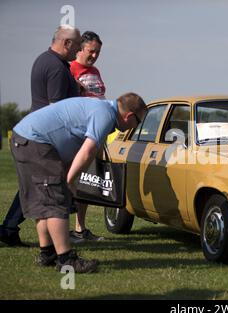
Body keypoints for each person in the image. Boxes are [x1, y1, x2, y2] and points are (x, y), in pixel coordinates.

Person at [10, 93, 146, 272]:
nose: (135, 127)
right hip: (35, 141)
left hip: (25, 139)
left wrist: (68, 176)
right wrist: (70, 180)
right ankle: (66, 259)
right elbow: (88, 150)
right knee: (55, 202)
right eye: (138, 122)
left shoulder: (101, 109)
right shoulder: (105, 114)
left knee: (45, 202)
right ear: (129, 116)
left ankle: (47, 253)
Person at [0, 25, 81, 247]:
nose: (79, 50)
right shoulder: (56, 67)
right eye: (77, 45)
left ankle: (9, 228)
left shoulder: (44, 60)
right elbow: (57, 111)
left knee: (34, 186)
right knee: (46, 188)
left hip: (35, 135)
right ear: (66, 43)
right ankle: (13, 230)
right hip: (46, 139)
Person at [69, 31, 106, 243]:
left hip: (95, 133)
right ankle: (60, 231)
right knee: (71, 181)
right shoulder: (70, 69)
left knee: (87, 181)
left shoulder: (95, 71)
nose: (94, 56)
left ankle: (80, 229)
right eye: (92, 51)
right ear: (80, 48)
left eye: (98, 52)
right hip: (78, 135)